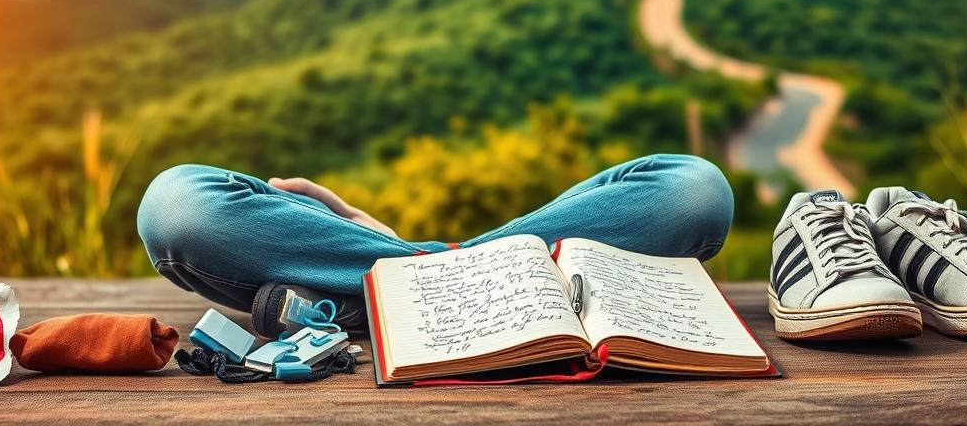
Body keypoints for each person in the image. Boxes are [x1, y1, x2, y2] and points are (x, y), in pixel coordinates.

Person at [136, 153, 734, 336]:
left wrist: (373, 249)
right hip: (523, 265)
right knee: (178, 205)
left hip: (355, 272)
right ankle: (461, 273)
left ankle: (377, 293)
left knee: (695, 190)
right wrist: (368, 237)